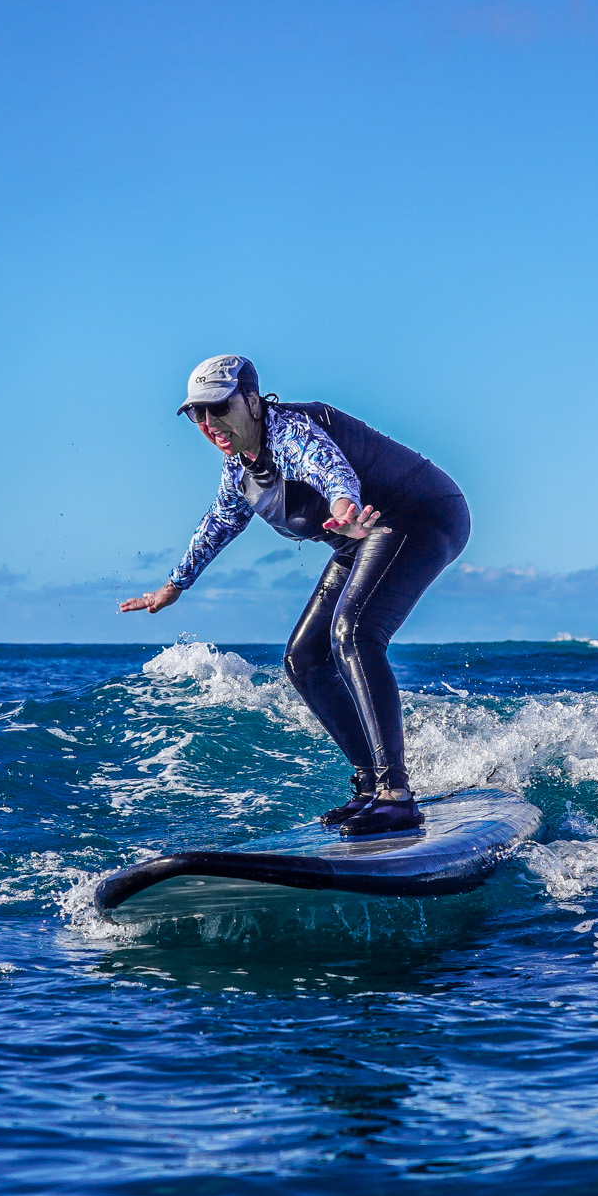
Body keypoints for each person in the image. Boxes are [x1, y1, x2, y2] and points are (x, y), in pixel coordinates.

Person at [118, 355, 470, 837]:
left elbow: (331, 472)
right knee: (304, 658)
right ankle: (371, 787)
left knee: (355, 634)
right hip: (359, 539)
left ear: (252, 400)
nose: (208, 423)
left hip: (419, 515)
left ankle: (396, 796)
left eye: (217, 408)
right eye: (196, 414)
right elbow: (218, 524)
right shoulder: (239, 470)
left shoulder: (291, 432)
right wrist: (173, 586)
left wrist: (344, 507)